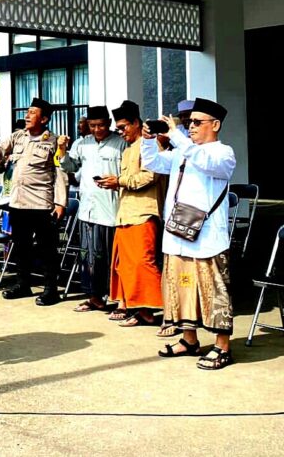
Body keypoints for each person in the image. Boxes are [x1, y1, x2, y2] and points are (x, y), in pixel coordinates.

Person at [142, 98, 236, 370]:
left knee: (214, 292)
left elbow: (205, 162)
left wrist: (175, 136)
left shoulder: (222, 153)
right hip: (177, 235)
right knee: (182, 287)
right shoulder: (183, 151)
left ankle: (222, 347)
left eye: (196, 122)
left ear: (215, 125)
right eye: (188, 122)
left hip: (207, 240)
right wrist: (149, 140)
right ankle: (189, 339)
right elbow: (152, 162)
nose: (190, 127)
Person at [0, 98, 68, 305]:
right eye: (27, 112)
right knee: (21, 246)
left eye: (32, 112)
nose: (27, 116)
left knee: (47, 248)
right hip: (18, 202)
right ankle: (23, 284)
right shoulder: (18, 136)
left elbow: (60, 172)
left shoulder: (53, 141)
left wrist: (60, 203)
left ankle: (51, 290)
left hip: (41, 203)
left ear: (44, 118)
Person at [100, 101, 166, 326]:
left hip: (144, 212)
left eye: (123, 127)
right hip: (126, 213)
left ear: (136, 123)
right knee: (124, 265)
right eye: (118, 129)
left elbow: (150, 176)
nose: (120, 132)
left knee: (142, 263)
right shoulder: (128, 150)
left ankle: (165, 312)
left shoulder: (150, 145)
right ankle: (140, 311)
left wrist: (118, 181)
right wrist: (115, 182)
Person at [58, 105, 126, 312]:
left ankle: (118, 298)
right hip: (87, 208)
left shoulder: (120, 143)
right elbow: (69, 167)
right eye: (93, 125)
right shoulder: (82, 143)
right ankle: (94, 296)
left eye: (102, 125)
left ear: (109, 124)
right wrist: (62, 151)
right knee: (88, 255)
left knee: (109, 257)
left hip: (111, 210)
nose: (97, 129)